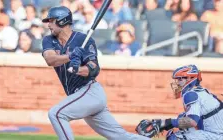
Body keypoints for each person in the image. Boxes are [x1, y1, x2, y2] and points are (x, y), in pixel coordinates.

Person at [41, 6, 150, 140]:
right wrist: (70, 56)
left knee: (56, 114)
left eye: (51, 21)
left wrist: (78, 69)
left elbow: (93, 69)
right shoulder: (49, 40)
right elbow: (50, 59)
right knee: (121, 137)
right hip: (80, 96)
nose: (48, 25)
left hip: (90, 92)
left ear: (62, 21)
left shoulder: (83, 40)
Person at [136, 64, 223, 140]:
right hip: (217, 133)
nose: (177, 83)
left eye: (180, 79)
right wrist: (166, 124)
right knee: (182, 118)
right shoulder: (201, 91)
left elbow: (192, 121)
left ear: (190, 79)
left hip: (217, 135)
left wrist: (165, 123)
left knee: (175, 137)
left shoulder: (191, 95)